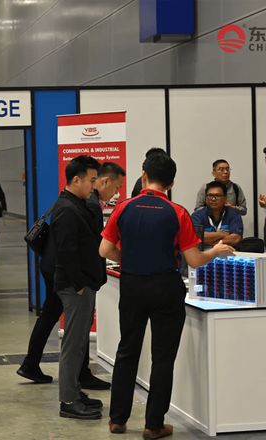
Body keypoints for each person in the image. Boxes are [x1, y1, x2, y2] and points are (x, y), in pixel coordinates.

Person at [100, 153, 234, 437]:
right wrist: (216, 251)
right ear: (171, 183)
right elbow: (194, 260)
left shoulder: (124, 208)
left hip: (132, 285)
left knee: (127, 350)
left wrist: (130, 260)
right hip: (166, 287)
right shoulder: (178, 212)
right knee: (163, 357)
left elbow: (105, 250)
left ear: (143, 175)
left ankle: (117, 419)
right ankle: (153, 424)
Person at [17, 162, 126, 392]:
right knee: (75, 328)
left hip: (55, 265)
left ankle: (36, 365)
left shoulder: (79, 201)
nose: (116, 193)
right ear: (103, 181)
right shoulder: (87, 204)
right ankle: (75, 380)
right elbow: (88, 245)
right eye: (116, 187)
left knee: (58, 317)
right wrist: (80, 282)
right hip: (65, 271)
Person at [49, 155, 108, 420]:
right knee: (73, 345)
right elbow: (66, 252)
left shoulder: (78, 204)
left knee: (79, 342)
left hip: (83, 283)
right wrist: (80, 285)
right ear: (76, 180)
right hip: (75, 287)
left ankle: (74, 390)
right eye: (91, 180)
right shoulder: (66, 209)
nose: (94, 186)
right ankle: (68, 400)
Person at [191, 181, 243, 249]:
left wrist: (210, 241)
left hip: (228, 252)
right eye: (210, 195)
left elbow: (235, 239)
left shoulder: (234, 214)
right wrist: (222, 234)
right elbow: (196, 237)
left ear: (225, 198)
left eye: (217, 195)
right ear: (206, 198)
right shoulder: (197, 215)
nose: (213, 199)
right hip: (204, 253)